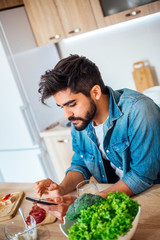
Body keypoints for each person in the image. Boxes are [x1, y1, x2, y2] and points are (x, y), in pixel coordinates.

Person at [34, 54, 160, 220]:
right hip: (113, 200)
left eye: (72, 104)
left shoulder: (138, 110)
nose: (66, 115)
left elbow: (142, 176)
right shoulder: (80, 120)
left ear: (95, 92)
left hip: (151, 200)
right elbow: (80, 162)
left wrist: (89, 202)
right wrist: (61, 189)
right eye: (61, 107)